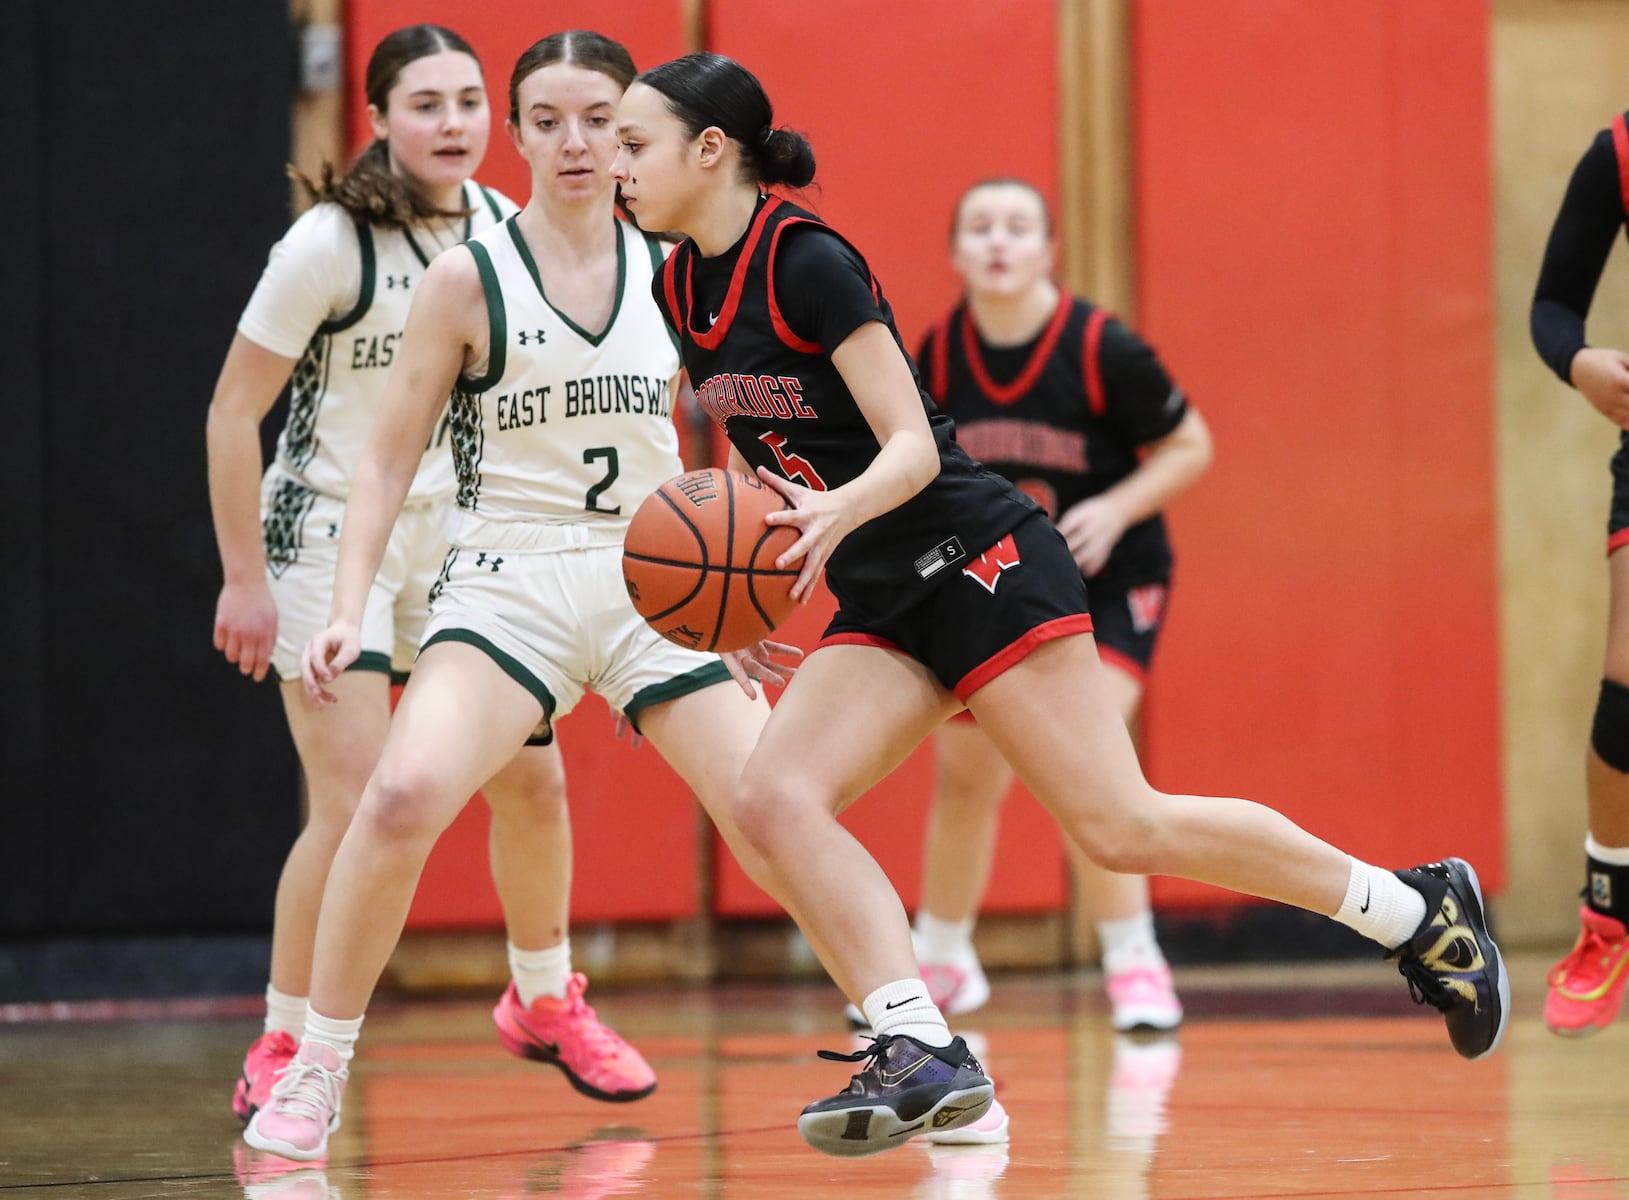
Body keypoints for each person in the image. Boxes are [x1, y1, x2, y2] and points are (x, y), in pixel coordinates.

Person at [612, 51, 1509, 1159]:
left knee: (1121, 828)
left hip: (977, 556)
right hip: (884, 592)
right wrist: (735, 607)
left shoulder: (806, 261)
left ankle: (1413, 909)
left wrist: (834, 510)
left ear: (711, 151)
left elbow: (909, 448)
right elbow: (751, 460)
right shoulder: (676, 285)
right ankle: (919, 1044)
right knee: (772, 798)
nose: (616, 164)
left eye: (633, 142)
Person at [242, 30, 803, 1163]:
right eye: (547, 121)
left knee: (776, 799)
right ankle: (311, 1061)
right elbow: (384, 459)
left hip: (650, 573)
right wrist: (345, 606)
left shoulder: (678, 264)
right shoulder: (464, 272)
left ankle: (911, 1031)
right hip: (505, 570)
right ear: (520, 134)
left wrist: (737, 602)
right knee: (391, 797)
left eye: (600, 120)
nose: (576, 143)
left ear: (635, 130)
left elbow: (734, 432)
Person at [206, 23, 647, 1127]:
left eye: (468, 102)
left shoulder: (511, 228)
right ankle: (286, 1036)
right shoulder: (327, 244)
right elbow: (230, 411)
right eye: (425, 104)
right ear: (377, 120)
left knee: (534, 786)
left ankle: (544, 998)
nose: (453, 124)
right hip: (329, 533)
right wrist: (243, 576)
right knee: (358, 802)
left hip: (465, 541)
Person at [900, 178, 1212, 1035]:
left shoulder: (1102, 347)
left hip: (1108, 578)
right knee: (965, 777)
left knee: (1085, 760)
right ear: (955, 252)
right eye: (980, 227)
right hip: (996, 581)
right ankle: (942, 959)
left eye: (1017, 227)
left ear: (1048, 251)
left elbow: (1190, 445)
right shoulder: (935, 356)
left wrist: (1115, 507)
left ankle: (1133, 960)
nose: (998, 242)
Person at [1529, 108, 1629, 1036]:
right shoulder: (1619, 151)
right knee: (1626, 680)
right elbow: (1551, 304)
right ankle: (1607, 915)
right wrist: (1578, 360)